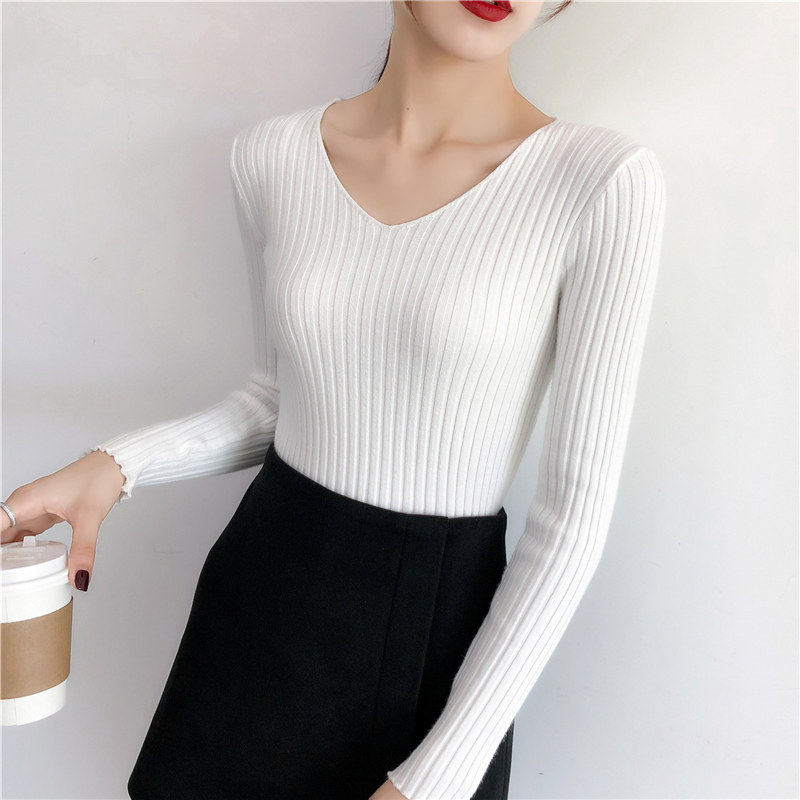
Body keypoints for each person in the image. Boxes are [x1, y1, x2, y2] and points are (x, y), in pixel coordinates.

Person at [1, 1, 667, 798]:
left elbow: (570, 522)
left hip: (433, 642)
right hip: (261, 599)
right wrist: (114, 466)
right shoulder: (270, 157)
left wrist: (436, 781)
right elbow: (276, 398)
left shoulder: (601, 181)